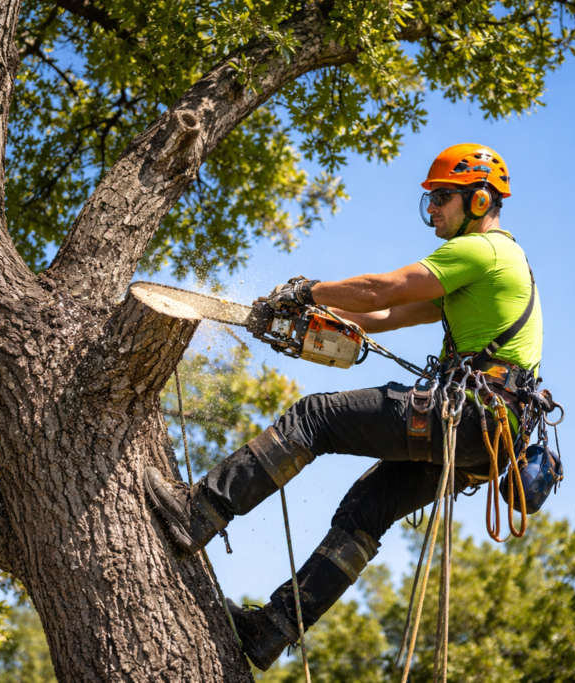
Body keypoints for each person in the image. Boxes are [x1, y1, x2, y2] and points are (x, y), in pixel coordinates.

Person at [144, 143, 542, 670]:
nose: (434, 211)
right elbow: (384, 315)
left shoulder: (483, 250)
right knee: (365, 512)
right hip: (484, 441)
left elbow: (385, 287)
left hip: (469, 414)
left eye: (443, 198)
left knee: (314, 419)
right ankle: (274, 629)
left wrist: (306, 288)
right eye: (431, 200)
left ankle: (202, 510)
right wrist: (310, 316)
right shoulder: (484, 270)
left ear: (479, 199)